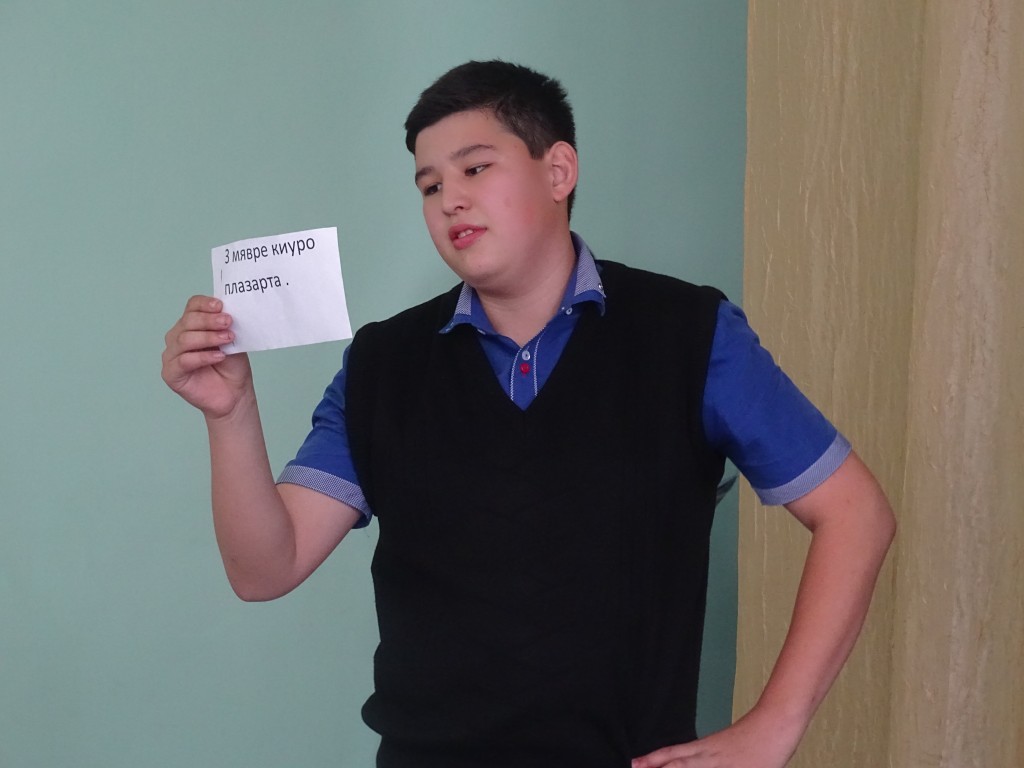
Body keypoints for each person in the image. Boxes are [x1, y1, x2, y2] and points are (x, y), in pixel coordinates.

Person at [162, 60, 895, 768]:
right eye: (429, 185)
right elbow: (267, 568)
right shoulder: (384, 364)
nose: (450, 200)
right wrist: (231, 413)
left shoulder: (689, 334)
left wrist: (774, 726)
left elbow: (856, 513)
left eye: (476, 168)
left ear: (558, 171)